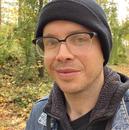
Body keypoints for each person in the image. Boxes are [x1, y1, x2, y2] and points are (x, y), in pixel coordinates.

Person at [25, 0, 129, 130]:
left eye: (79, 39)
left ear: (103, 50)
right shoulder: (39, 113)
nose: (62, 55)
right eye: (51, 42)